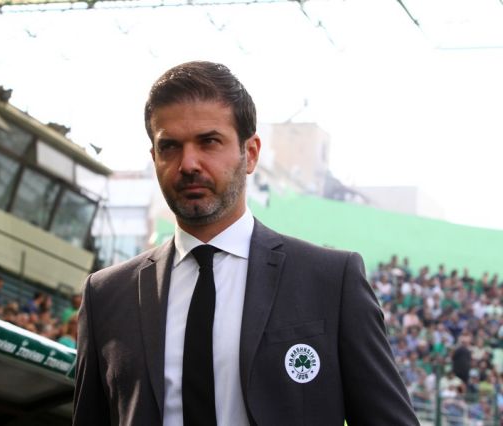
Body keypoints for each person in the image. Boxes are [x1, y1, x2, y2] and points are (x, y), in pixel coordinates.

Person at [72, 61, 418, 425]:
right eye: (169, 146)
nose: (188, 163)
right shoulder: (106, 296)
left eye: (209, 142)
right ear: (154, 158)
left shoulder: (330, 281)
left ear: (250, 153)